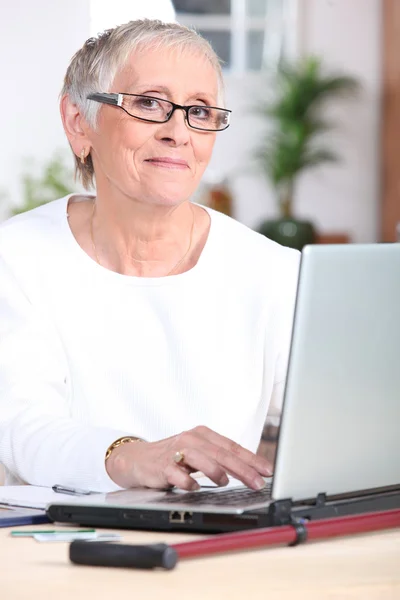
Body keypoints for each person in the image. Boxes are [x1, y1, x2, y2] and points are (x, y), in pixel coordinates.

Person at [0, 19, 299, 493]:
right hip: (59, 546)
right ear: (80, 122)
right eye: (148, 103)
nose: (178, 132)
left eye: (199, 111)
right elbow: (22, 427)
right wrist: (129, 455)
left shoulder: (275, 272)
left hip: (228, 546)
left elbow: (337, 420)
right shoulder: (16, 258)